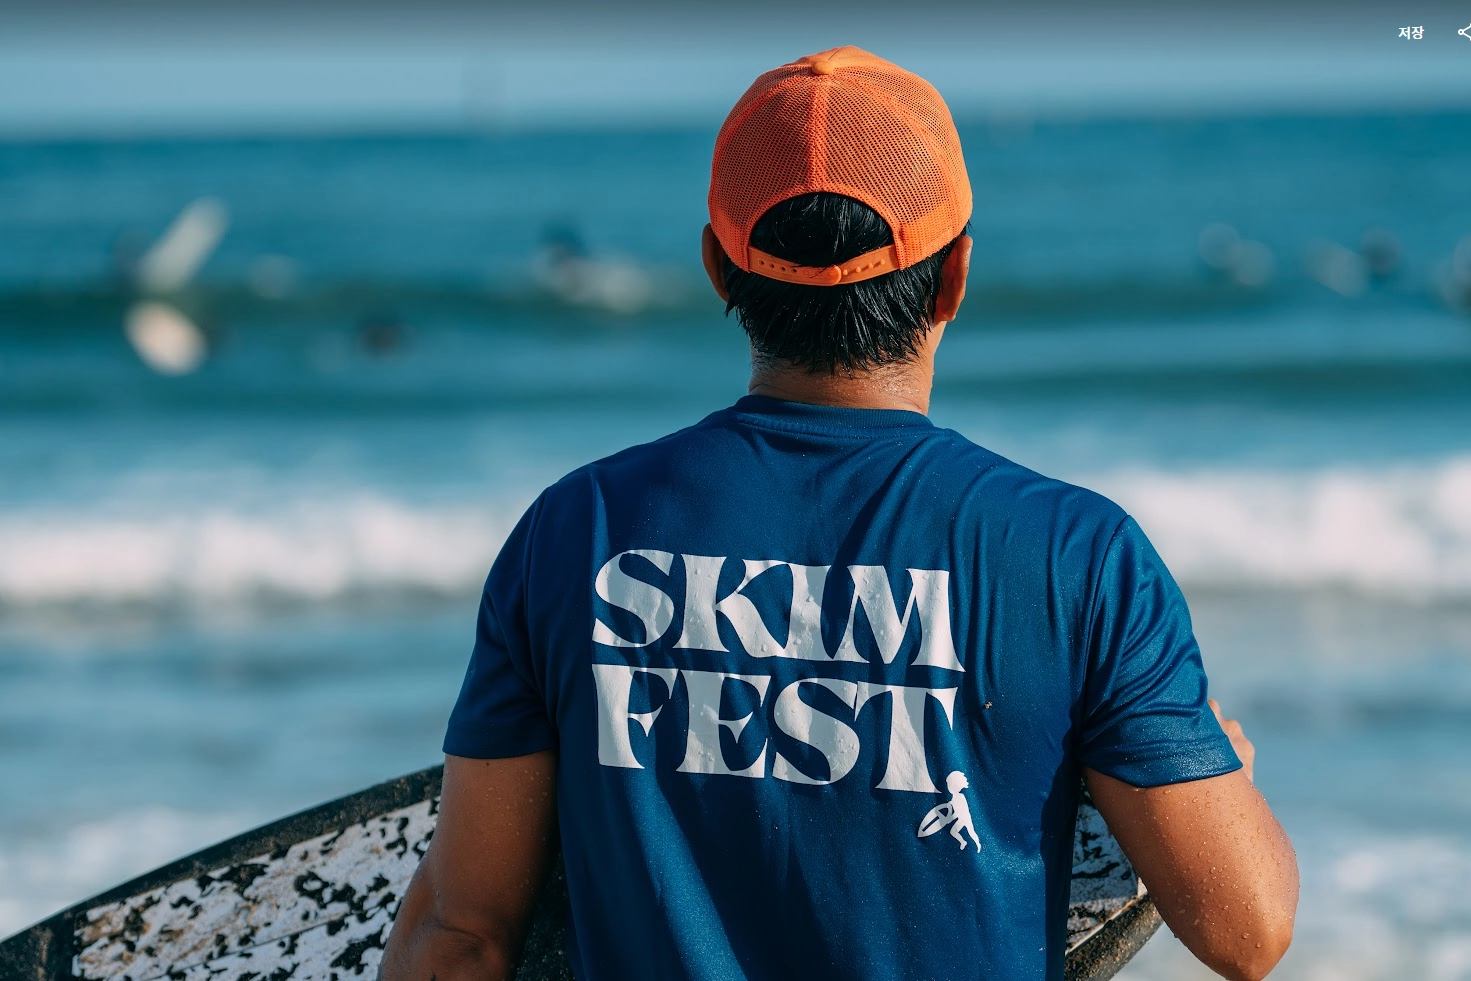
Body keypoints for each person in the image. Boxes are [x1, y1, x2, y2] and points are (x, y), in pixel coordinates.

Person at [380, 46, 1298, 981]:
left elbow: (461, 938)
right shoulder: (1078, 559)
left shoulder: (573, 532)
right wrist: (1215, 773)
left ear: (718, 269)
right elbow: (1247, 931)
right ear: (955, 277)